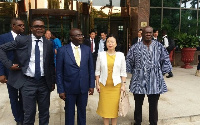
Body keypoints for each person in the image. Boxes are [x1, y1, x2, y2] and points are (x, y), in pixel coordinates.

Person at [0, 18, 55, 125]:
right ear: (31, 29)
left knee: (44, 113)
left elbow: (50, 64)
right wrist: (8, 65)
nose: (39, 28)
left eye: (42, 27)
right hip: (28, 83)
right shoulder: (23, 40)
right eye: (36, 26)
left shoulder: (48, 44)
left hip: (44, 83)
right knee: (29, 114)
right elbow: (1, 49)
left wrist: (52, 81)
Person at [126, 26, 172, 125]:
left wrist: (162, 72)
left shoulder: (159, 46)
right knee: (138, 104)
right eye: (146, 33)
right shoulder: (135, 47)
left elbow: (166, 59)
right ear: (142, 34)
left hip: (154, 80)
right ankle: (137, 121)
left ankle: (153, 122)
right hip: (139, 80)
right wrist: (135, 71)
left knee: (153, 104)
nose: (148, 34)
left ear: (153, 34)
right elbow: (129, 60)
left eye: (150, 33)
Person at [56, 28, 95, 125]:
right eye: (77, 35)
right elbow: (59, 72)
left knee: (82, 113)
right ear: (71, 37)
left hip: (83, 88)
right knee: (69, 114)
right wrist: (60, 90)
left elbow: (91, 69)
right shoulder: (62, 50)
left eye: (81, 35)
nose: (81, 37)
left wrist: (91, 85)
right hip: (69, 89)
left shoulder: (87, 49)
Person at [95, 36, 127, 125]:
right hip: (104, 85)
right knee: (105, 107)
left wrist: (123, 85)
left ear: (116, 44)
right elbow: (97, 71)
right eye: (108, 41)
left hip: (116, 86)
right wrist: (97, 84)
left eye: (112, 42)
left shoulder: (120, 55)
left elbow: (123, 72)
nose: (110, 43)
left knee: (114, 108)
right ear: (106, 44)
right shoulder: (101, 55)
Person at [0, 18, 24, 125]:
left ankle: (23, 118)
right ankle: (18, 120)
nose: (23, 27)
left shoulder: (25, 38)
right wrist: (1, 73)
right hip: (10, 73)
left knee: (24, 97)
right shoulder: (3, 37)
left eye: (23, 25)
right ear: (13, 26)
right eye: (20, 25)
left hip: (23, 73)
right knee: (13, 97)